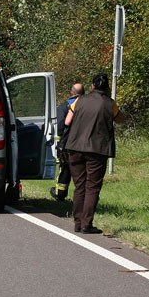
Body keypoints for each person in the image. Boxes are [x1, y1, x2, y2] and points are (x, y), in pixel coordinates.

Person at [64, 72, 124, 233]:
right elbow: (120, 119)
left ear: (92, 86)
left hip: (75, 147)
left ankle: (77, 223)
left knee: (79, 186)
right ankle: (86, 224)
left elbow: (67, 121)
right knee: (92, 187)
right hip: (97, 150)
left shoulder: (79, 100)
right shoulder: (110, 104)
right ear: (107, 87)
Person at [50, 83, 85, 201]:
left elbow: (60, 125)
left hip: (68, 143)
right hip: (87, 143)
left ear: (72, 93)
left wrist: (59, 144)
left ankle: (60, 193)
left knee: (65, 167)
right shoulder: (89, 104)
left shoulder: (66, 105)